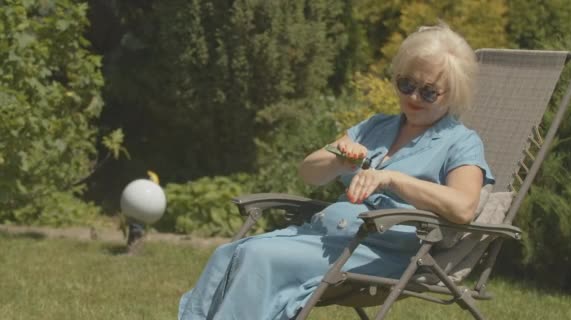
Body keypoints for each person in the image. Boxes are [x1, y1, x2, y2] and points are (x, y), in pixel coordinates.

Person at [178, 23, 494, 320]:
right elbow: (309, 172)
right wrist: (338, 160)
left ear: (451, 94)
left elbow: (463, 207)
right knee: (227, 254)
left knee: (258, 257)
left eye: (427, 92)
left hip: (376, 252)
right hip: (322, 238)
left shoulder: (461, 142)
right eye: (406, 84)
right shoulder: (376, 127)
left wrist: (392, 179)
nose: (412, 97)